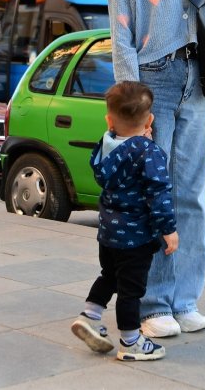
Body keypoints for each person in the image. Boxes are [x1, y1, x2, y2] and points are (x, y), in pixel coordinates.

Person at [107, 0, 205, 338]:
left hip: (199, 83)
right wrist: (134, 109)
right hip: (155, 81)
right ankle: (154, 304)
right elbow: (122, 40)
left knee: (192, 196)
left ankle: (185, 298)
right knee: (157, 193)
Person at [71, 81, 178, 361]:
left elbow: (122, 153)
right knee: (131, 290)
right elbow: (159, 192)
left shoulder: (105, 146)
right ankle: (131, 342)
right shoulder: (148, 151)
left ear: (109, 119)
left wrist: (139, 137)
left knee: (109, 276)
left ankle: (90, 315)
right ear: (150, 119)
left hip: (108, 233)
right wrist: (168, 229)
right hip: (136, 237)